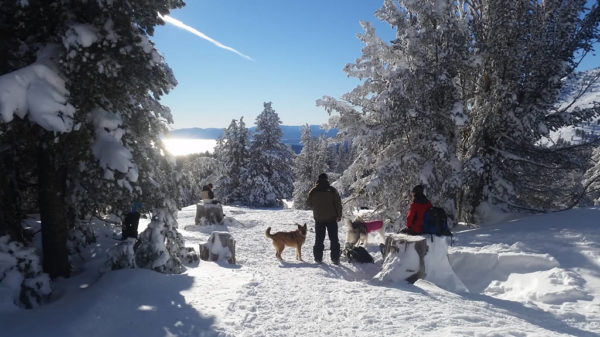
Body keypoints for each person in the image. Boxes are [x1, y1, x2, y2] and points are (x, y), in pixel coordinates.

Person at [307, 173, 343, 264]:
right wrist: (339, 215)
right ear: (327, 179)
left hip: (319, 219)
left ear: (318, 180)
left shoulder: (313, 191)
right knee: (334, 239)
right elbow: (338, 204)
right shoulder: (332, 190)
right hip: (331, 218)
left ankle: (318, 258)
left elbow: (309, 203)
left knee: (319, 239)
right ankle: (335, 258)